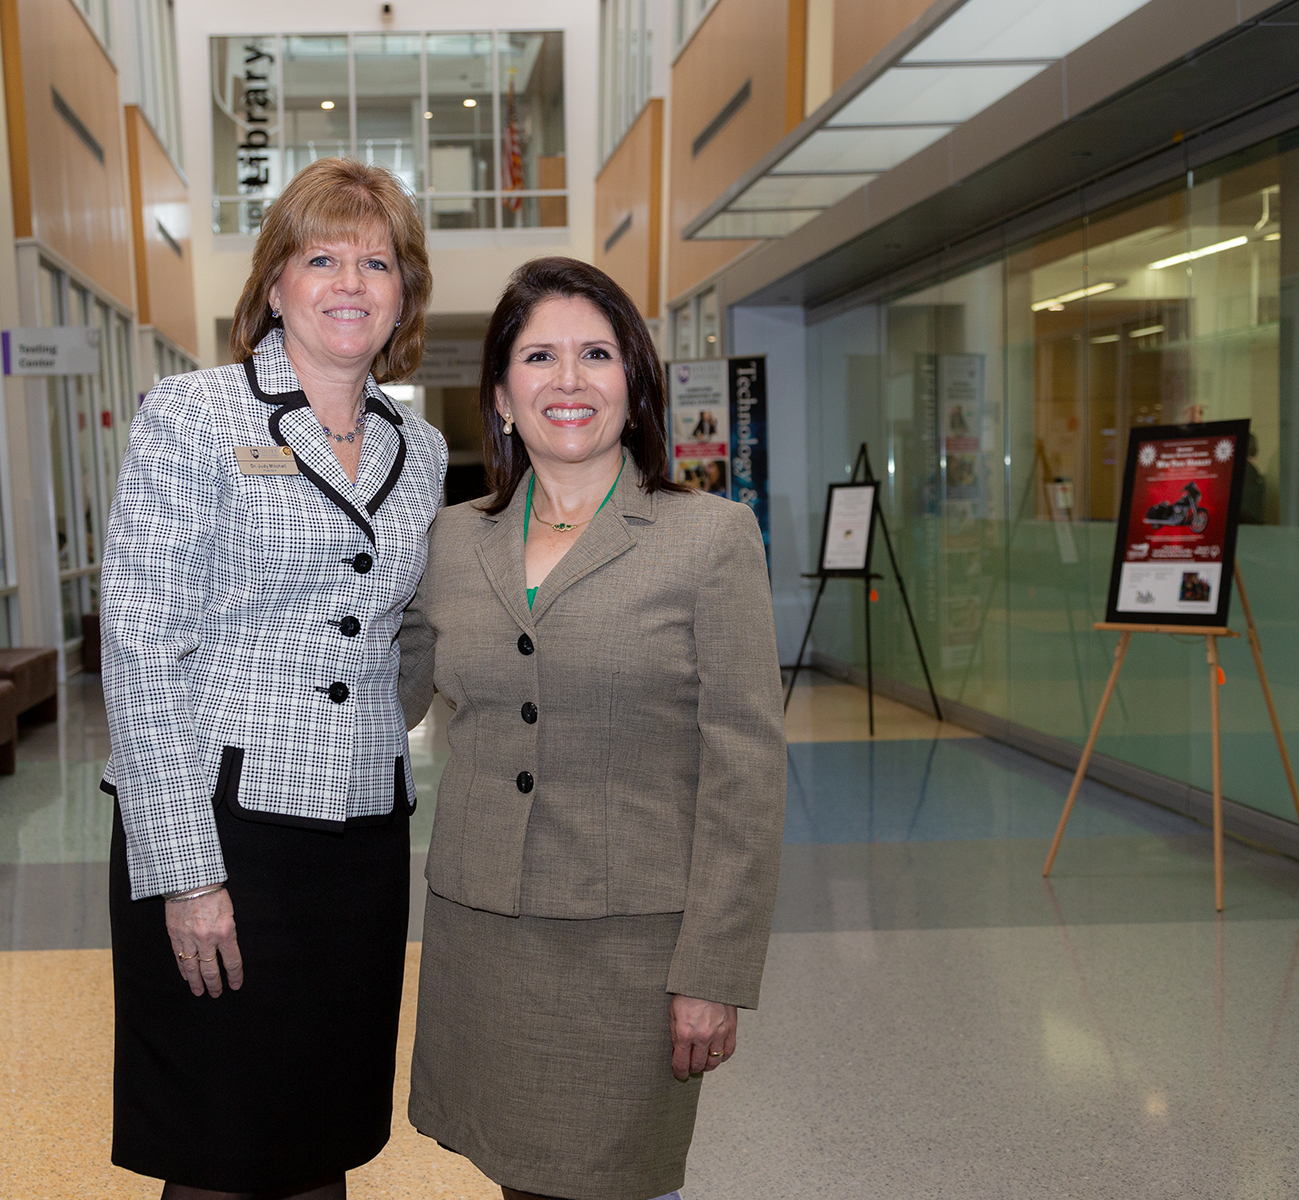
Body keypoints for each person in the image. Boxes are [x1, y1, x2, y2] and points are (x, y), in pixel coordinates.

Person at [399, 257, 786, 1200]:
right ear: (500, 394)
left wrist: (714, 970)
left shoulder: (711, 539)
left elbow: (747, 767)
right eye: (539, 356)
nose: (568, 380)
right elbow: (382, 694)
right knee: (516, 1184)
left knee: (613, 1182)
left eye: (596, 354)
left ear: (633, 382)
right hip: (484, 934)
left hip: (633, 955)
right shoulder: (450, 540)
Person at [99, 158, 447, 1200]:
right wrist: (184, 872)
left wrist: (377, 729)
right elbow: (141, 645)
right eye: (323, 257)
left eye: (377, 261)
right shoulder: (196, 414)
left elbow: (414, 630)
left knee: (319, 1132)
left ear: (404, 293)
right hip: (222, 836)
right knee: (219, 1145)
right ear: (277, 282)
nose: (351, 281)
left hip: (360, 843)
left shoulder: (418, 447)